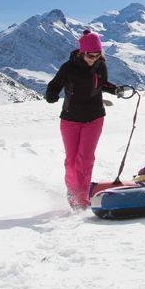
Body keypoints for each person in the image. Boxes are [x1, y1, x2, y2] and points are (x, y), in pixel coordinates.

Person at [45, 29, 127, 210]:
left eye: (97, 55)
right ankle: (72, 191)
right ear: (82, 52)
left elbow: (103, 84)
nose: (93, 59)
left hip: (94, 117)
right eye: (90, 55)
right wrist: (51, 94)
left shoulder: (100, 66)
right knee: (71, 162)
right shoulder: (68, 68)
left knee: (85, 159)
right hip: (70, 119)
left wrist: (115, 90)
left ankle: (81, 201)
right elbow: (55, 84)